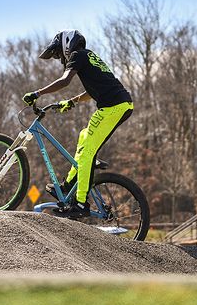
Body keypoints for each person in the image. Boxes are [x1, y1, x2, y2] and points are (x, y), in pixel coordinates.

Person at [23, 29, 133, 218]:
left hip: (113, 107)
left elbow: (65, 81)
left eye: (58, 53)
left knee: (88, 151)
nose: (59, 58)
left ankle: (81, 203)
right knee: (84, 136)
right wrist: (72, 101)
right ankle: (69, 184)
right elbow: (93, 89)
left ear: (67, 45)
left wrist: (37, 93)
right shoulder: (88, 57)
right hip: (118, 105)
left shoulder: (77, 54)